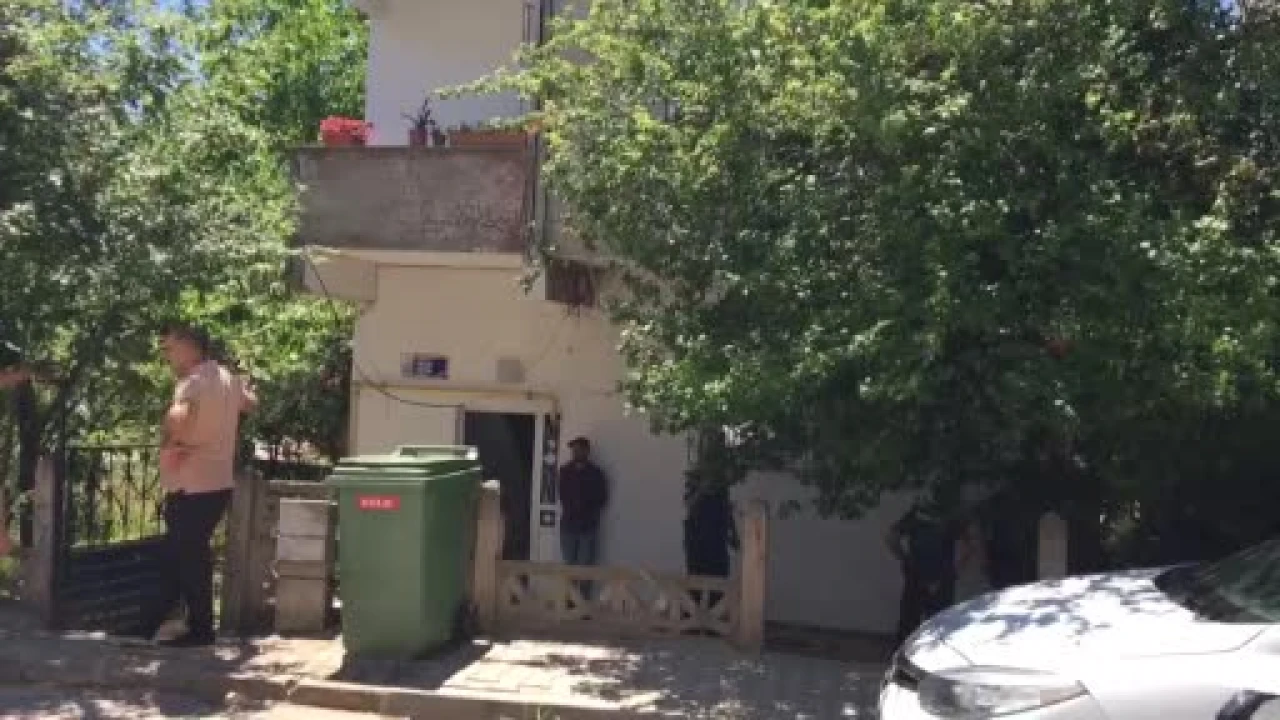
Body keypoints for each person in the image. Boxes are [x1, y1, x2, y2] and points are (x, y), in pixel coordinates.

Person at [128, 322, 256, 647]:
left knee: (184, 558)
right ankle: (159, 627)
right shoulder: (226, 378)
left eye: (170, 347)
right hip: (218, 482)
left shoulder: (192, 382)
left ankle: (184, 629)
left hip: (191, 483)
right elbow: (250, 403)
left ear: (190, 348)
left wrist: (171, 445)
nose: (166, 354)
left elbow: (177, 417)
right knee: (186, 556)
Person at [887, 497, 958, 645]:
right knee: (940, 626)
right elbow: (971, 545)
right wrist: (953, 571)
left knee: (908, 624)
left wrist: (905, 559)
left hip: (917, 575)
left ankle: (905, 655)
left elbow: (891, 538)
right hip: (940, 578)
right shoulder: (951, 513)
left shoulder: (916, 515)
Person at [558, 436, 608, 566]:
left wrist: (588, 510)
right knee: (569, 565)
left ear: (586, 451)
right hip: (568, 525)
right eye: (573, 450)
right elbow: (562, 494)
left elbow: (602, 498)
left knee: (584, 566)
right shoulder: (565, 471)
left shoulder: (596, 473)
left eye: (578, 449)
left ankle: (582, 583)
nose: (575, 452)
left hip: (587, 526)